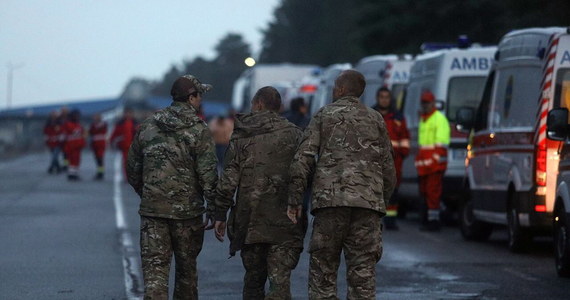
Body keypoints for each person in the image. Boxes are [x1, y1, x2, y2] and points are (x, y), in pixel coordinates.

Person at [287, 70, 396, 299]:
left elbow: (302, 159)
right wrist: (380, 204)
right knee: (363, 276)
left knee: (323, 274)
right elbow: (388, 168)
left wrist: (295, 199)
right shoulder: (375, 118)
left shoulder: (323, 115)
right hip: (367, 206)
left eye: (336, 87)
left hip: (330, 204)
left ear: (341, 90)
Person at [126, 75, 218, 299]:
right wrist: (215, 209)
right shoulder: (199, 130)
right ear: (191, 97)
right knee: (187, 274)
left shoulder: (148, 125)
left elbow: (132, 169)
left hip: (153, 213)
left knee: (155, 275)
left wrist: (148, 193)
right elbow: (208, 174)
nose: (200, 101)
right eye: (199, 96)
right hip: (187, 214)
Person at [214, 86, 306, 300]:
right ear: (279, 107)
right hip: (286, 222)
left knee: (254, 281)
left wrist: (219, 214)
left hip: (250, 222)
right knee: (280, 282)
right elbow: (305, 174)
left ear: (258, 105)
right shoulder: (296, 134)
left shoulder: (242, 135)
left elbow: (228, 180)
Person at [372, 87, 410, 229]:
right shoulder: (371, 114)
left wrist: (403, 152)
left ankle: (391, 220)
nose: (384, 99)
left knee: (393, 192)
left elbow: (405, 138)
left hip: (394, 162)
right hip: (374, 161)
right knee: (374, 191)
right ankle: (374, 220)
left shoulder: (398, 117)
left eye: (387, 97)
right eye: (381, 96)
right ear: (377, 98)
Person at [414, 90, 450, 232]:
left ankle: (434, 221)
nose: (425, 105)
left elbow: (441, 145)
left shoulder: (438, 119)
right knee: (425, 193)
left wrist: (432, 161)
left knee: (432, 193)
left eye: (427, 103)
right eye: (423, 103)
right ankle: (428, 219)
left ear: (433, 103)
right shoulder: (424, 119)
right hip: (425, 165)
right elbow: (423, 145)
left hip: (434, 165)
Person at [110, 109, 136, 176]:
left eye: (129, 113)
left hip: (134, 145)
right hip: (124, 146)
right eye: (126, 113)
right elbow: (114, 134)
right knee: (126, 161)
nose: (128, 115)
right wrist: (112, 142)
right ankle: (128, 175)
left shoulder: (135, 123)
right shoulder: (120, 123)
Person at [62, 109, 86, 181]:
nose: (77, 117)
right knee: (72, 160)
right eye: (76, 116)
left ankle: (74, 173)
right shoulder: (68, 124)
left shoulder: (77, 124)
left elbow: (82, 133)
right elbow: (68, 133)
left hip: (77, 145)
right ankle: (71, 174)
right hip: (71, 145)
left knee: (77, 160)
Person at [89, 113, 107, 180]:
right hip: (95, 143)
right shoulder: (93, 125)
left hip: (101, 143)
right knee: (97, 158)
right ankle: (99, 171)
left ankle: (101, 173)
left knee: (100, 158)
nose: (95, 118)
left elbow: (104, 130)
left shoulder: (103, 124)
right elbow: (90, 132)